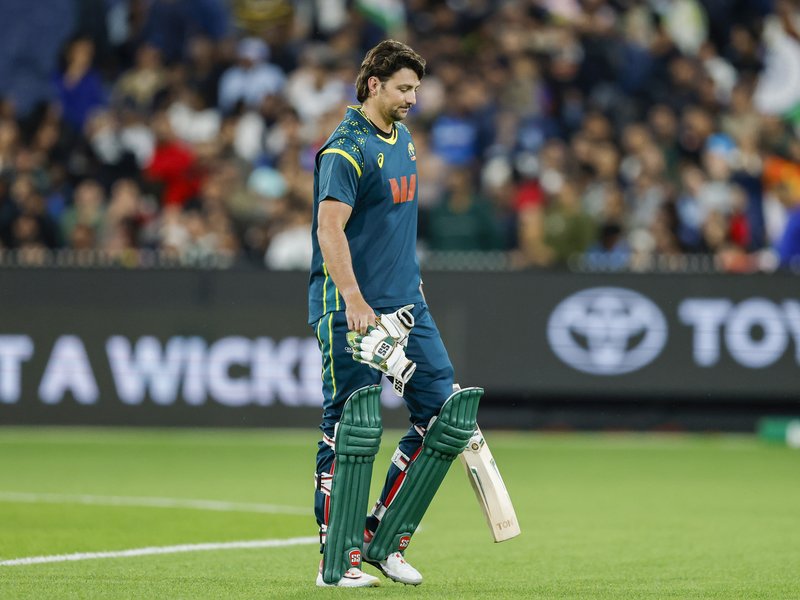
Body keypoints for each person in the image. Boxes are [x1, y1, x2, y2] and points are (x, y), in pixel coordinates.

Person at [308, 40, 482, 588]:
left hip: (407, 305)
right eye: (404, 88)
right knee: (351, 427)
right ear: (374, 84)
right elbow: (329, 229)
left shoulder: (403, 138)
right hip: (351, 308)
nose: (413, 98)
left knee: (445, 418)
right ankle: (336, 562)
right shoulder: (344, 149)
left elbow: (393, 226)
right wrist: (354, 299)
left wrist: (412, 280)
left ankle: (384, 540)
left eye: (416, 89)